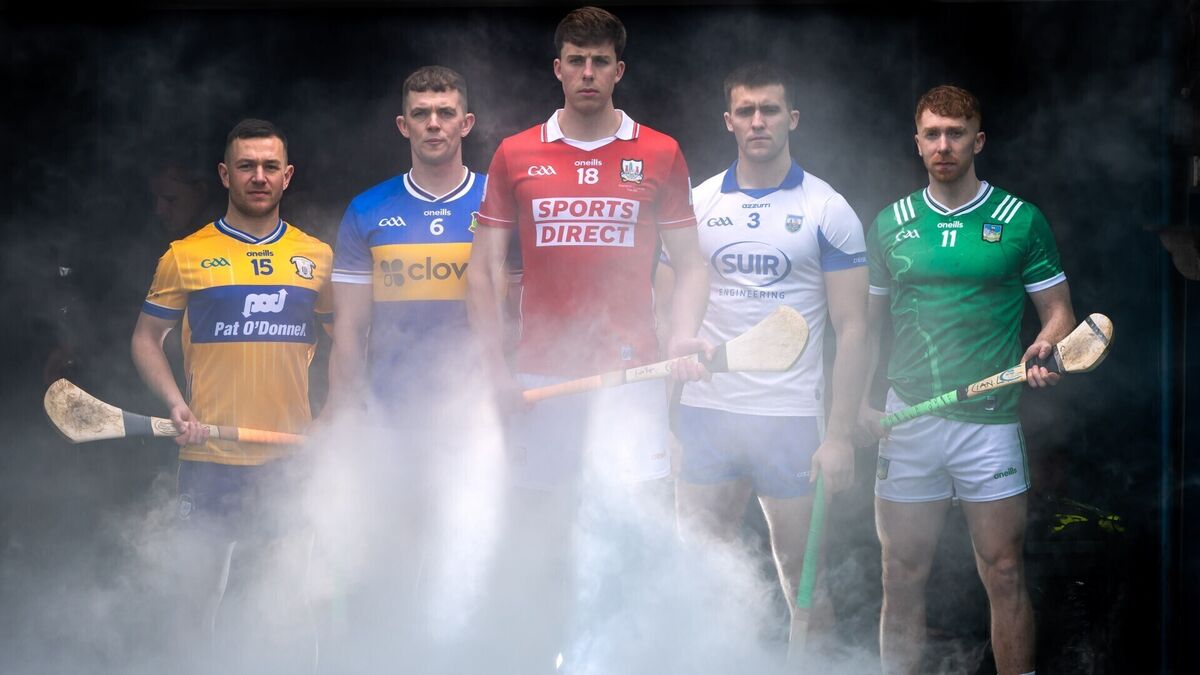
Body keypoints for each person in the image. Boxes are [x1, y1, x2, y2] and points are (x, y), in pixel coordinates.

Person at [465, 6, 709, 672]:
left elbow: (691, 266)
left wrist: (683, 334)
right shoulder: (516, 152)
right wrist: (496, 372)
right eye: (576, 60)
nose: (588, 72)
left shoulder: (660, 152)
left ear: (619, 70)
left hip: (633, 378)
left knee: (630, 534)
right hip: (543, 379)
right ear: (558, 68)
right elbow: (482, 271)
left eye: (601, 61)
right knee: (543, 536)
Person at [858, 85, 1075, 675]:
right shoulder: (891, 223)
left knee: (1003, 570)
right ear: (917, 142)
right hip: (908, 418)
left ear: (978, 141)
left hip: (989, 424)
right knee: (900, 573)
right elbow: (864, 330)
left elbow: (1059, 311)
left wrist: (1045, 344)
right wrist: (858, 404)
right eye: (932, 134)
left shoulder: (1019, 219)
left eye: (956, 134)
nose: (944, 145)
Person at [672, 63, 868, 655]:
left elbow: (853, 328)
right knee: (696, 576)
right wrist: (667, 417)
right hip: (708, 413)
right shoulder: (697, 204)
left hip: (789, 420)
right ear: (728, 120)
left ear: (793, 118)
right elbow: (666, 311)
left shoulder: (827, 208)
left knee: (803, 580)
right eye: (746, 110)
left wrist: (839, 436)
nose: (758, 121)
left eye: (770, 110)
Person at [131, 118, 332, 673]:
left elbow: (352, 340)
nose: (258, 177)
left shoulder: (317, 256)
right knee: (197, 600)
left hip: (289, 458)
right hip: (209, 457)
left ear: (288, 175)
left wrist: (333, 414)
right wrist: (175, 403)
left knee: (290, 601)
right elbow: (146, 339)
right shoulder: (185, 254)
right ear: (225, 174)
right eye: (246, 166)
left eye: (270, 166)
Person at [328, 65, 484, 412]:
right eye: (420, 113)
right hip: (391, 409)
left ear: (466, 123)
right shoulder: (366, 208)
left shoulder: (497, 202)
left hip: (479, 407)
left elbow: (522, 312)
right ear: (403, 125)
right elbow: (350, 328)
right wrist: (340, 409)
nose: (433, 123)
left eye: (446, 113)